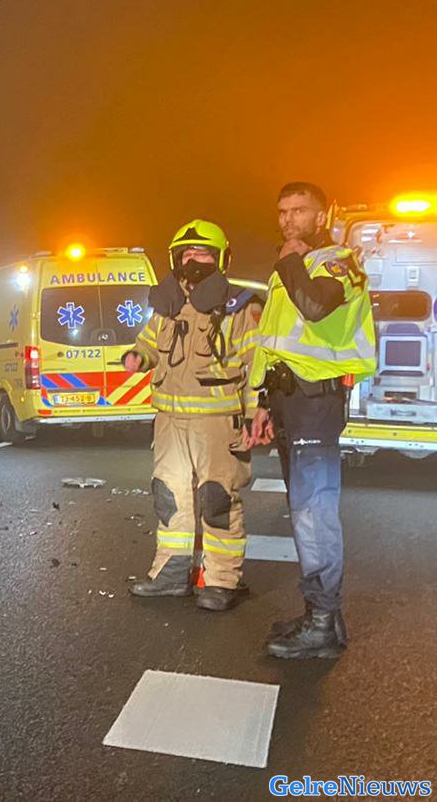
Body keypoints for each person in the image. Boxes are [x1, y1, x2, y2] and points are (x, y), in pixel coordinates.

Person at [246, 182, 376, 659]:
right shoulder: (292, 269)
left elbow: (316, 307)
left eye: (300, 210)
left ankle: (321, 623)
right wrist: (261, 403)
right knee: (305, 511)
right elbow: (274, 342)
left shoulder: (338, 262)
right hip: (288, 402)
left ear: (321, 217)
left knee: (312, 514)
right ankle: (326, 619)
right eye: (282, 211)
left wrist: (289, 260)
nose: (288, 220)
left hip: (315, 406)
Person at [121, 221, 261, 611]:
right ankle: (169, 574)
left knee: (216, 500)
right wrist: (138, 357)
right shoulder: (166, 306)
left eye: (202, 254)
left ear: (220, 259)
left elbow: (255, 366)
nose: (192, 261)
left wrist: (252, 418)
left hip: (217, 421)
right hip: (169, 420)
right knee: (169, 498)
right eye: (186, 254)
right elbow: (149, 344)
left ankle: (221, 581)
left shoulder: (240, 307)